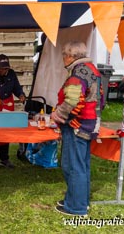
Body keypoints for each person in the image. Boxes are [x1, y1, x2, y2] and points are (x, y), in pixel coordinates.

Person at [51, 41, 103, 216]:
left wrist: (57, 115)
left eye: (64, 55)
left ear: (72, 56)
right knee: (82, 165)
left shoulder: (77, 74)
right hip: (90, 124)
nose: (63, 59)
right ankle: (79, 201)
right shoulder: (92, 69)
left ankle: (76, 207)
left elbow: (72, 101)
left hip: (77, 125)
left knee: (73, 166)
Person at [0, 54, 26, 169]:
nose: (5, 71)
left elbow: (16, 87)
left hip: (8, 103)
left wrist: (21, 94)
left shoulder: (11, 73)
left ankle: (4, 158)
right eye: (3, 69)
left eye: (7, 68)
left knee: (5, 130)